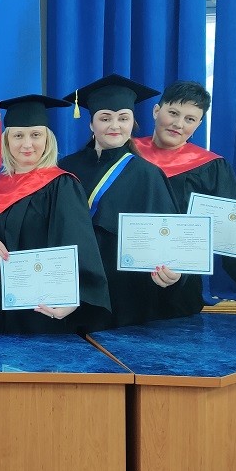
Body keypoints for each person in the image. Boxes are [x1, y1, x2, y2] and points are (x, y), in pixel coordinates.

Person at [134, 80, 236, 310]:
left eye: (190, 119)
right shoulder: (126, 154)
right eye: (173, 113)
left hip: (181, 286)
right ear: (156, 111)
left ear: (198, 124)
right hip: (123, 282)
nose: (178, 124)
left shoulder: (210, 167)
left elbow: (235, 227)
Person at [59, 75, 185, 327]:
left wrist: (174, 272)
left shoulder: (147, 174)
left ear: (133, 123)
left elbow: (168, 240)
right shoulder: (65, 168)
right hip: (73, 287)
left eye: (123, 118)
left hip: (124, 294)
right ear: (91, 124)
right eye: (105, 118)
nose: (115, 126)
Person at [0, 95, 111, 333]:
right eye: (18, 135)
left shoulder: (62, 186)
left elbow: (78, 244)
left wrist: (74, 298)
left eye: (35, 135)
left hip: (44, 310)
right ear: (6, 140)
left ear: (47, 139)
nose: (27, 144)